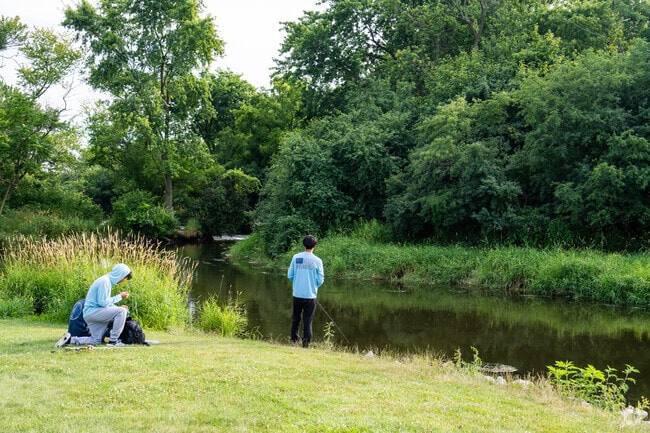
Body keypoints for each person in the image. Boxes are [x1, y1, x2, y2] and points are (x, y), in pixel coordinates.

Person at [55, 263, 132, 347]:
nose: (123, 280)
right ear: (120, 274)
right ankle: (113, 341)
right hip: (93, 313)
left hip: (90, 314)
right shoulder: (105, 281)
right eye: (124, 277)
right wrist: (120, 296)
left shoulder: (106, 281)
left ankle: (69, 340)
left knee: (96, 340)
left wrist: (116, 307)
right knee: (122, 311)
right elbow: (103, 303)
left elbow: (103, 303)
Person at [287, 235, 324, 348]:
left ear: (303, 245)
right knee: (308, 321)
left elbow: (290, 275)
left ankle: (294, 340)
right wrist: (313, 286)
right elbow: (320, 279)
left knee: (296, 319)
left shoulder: (296, 257)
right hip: (310, 296)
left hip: (297, 294)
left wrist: (298, 282)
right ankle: (306, 344)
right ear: (315, 246)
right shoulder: (318, 260)